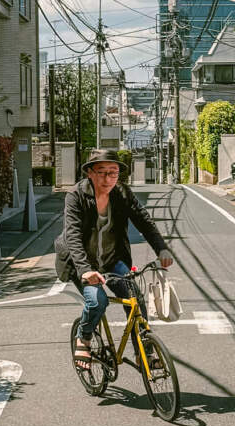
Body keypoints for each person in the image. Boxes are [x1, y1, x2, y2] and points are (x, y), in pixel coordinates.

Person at [55, 149, 173, 371]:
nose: (108, 178)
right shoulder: (76, 195)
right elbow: (72, 234)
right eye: (102, 172)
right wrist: (85, 270)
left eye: (114, 172)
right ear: (90, 173)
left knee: (134, 297)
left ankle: (143, 352)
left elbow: (144, 221)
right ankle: (84, 337)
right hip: (82, 263)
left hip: (111, 260)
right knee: (97, 301)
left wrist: (161, 249)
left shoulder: (122, 193)